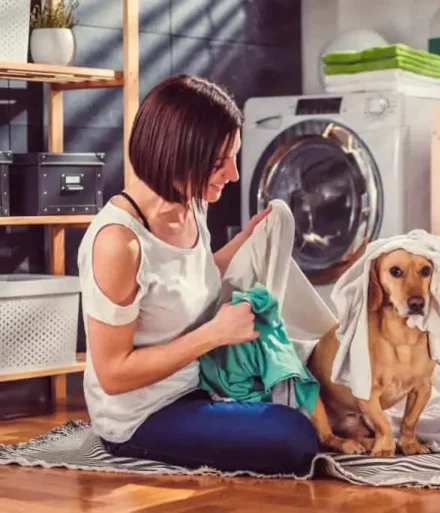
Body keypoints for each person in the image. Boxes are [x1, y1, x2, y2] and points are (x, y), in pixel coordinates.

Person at [76, 74, 319, 475]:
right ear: (177, 154)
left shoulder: (190, 204)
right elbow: (114, 373)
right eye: (219, 162)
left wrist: (249, 239)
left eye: (233, 156)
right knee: (294, 436)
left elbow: (190, 279)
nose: (233, 174)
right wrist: (215, 334)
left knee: (324, 380)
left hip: (203, 383)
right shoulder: (119, 242)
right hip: (143, 415)